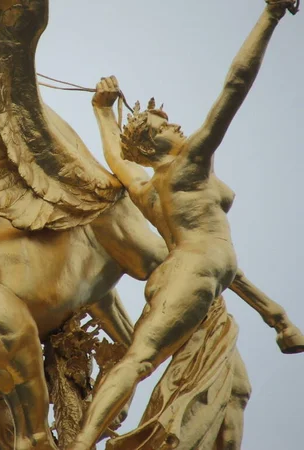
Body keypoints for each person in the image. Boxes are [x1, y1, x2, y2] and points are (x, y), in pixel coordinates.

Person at [70, 1, 300, 448]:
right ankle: (81, 444)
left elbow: (117, 158)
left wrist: (102, 111)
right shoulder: (189, 166)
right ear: (153, 140)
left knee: (230, 388)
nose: (176, 124)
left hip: (194, 275)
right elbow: (235, 84)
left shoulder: (147, 187)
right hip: (192, 275)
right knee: (139, 360)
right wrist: (270, 16)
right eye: (164, 123)